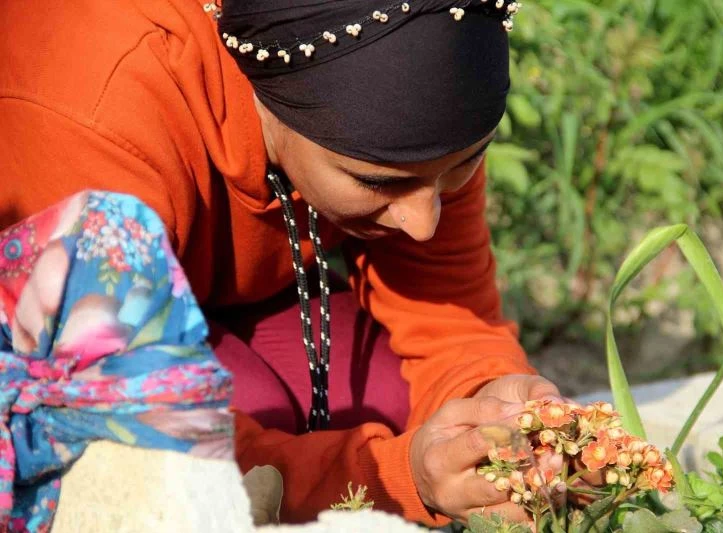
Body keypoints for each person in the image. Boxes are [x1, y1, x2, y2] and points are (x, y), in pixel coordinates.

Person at [0, 0, 562, 526]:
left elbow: (449, 317)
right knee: (240, 431)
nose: (425, 221)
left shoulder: (422, 133)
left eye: (464, 164)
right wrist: (399, 475)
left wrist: (490, 398)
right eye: (377, 182)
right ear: (270, 95)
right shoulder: (97, 106)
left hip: (226, 298)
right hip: (58, 337)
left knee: (394, 401)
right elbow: (128, 430)